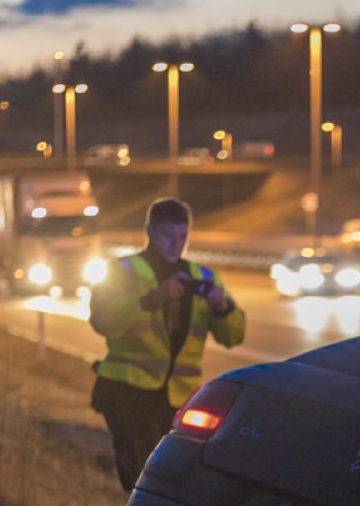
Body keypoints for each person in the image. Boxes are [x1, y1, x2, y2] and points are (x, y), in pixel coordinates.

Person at [89, 196, 246, 490]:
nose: (177, 245)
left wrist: (221, 307)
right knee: (143, 478)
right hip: (128, 392)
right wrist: (152, 299)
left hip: (177, 399)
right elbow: (103, 321)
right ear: (149, 232)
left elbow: (234, 337)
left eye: (183, 236)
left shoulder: (203, 276)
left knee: (172, 478)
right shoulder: (122, 271)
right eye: (168, 236)